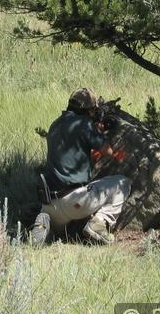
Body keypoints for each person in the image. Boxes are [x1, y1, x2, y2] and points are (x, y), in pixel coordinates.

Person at [31, 88, 130, 245]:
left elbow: (75, 150)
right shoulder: (84, 124)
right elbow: (109, 152)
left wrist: (92, 132)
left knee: (59, 233)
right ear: (87, 109)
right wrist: (99, 133)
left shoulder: (55, 125)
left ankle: (46, 224)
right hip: (76, 201)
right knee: (123, 183)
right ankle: (99, 224)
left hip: (50, 202)